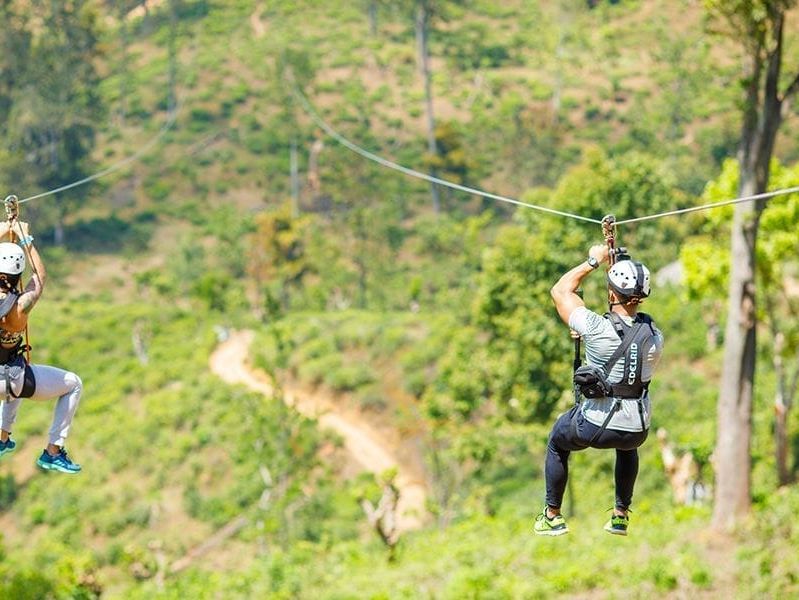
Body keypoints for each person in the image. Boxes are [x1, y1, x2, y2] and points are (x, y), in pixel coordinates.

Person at [534, 244, 664, 536]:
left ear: (611, 294)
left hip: (594, 425)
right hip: (637, 429)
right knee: (626, 444)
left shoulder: (594, 327)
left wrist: (595, 260)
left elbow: (561, 291)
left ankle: (552, 515)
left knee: (557, 439)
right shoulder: (656, 336)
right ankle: (620, 514)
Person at [0, 220, 83, 474]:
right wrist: (25, 238)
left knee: (18, 374)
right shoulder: (21, 305)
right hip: (13, 380)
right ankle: (53, 451)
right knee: (73, 383)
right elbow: (40, 277)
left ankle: (2, 438)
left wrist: (4, 231)